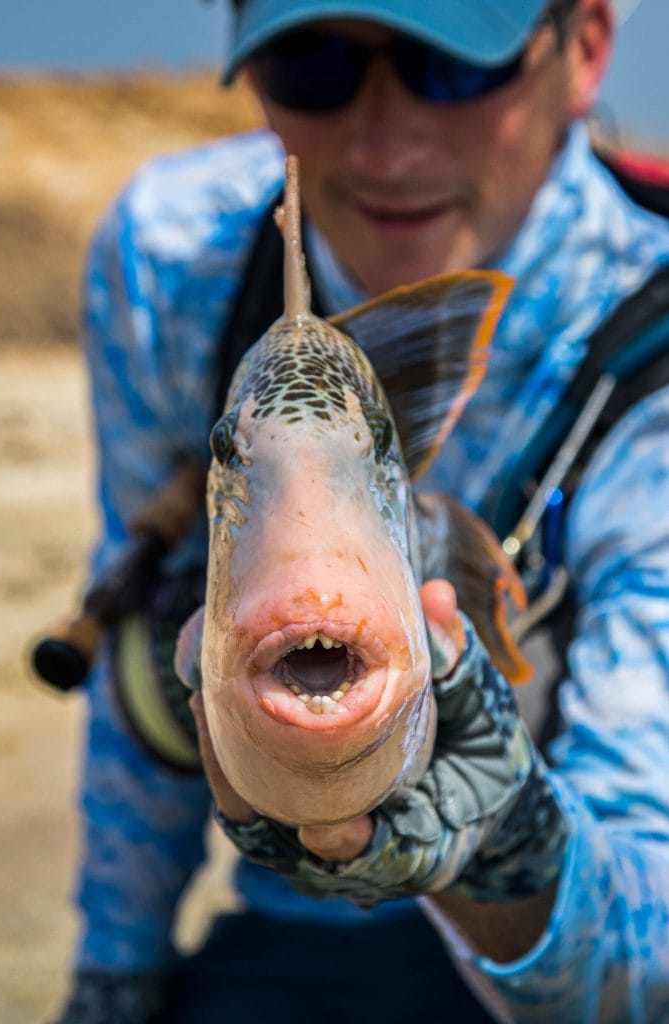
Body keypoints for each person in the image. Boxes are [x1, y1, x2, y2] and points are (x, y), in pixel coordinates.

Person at [52, 0, 669, 1021]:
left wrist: (499, 842)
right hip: (293, 936)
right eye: (313, 62)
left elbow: (647, 960)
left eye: (451, 66)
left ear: (584, 49)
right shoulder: (165, 256)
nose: (384, 142)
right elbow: (128, 644)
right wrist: (110, 978)